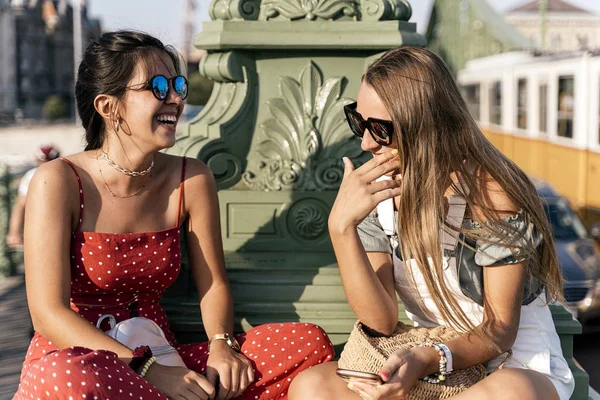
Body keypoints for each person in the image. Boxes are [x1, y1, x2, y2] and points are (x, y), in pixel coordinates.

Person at [15, 30, 333, 400]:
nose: (176, 98)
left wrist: (220, 344)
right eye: (158, 86)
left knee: (305, 342)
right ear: (108, 106)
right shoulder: (59, 181)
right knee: (68, 378)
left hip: (166, 359)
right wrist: (145, 369)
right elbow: (48, 313)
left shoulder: (191, 178)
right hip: (84, 364)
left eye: (177, 83)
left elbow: (212, 284)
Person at [289, 46, 574, 400]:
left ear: (424, 126)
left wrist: (430, 359)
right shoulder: (377, 191)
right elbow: (380, 320)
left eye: (379, 129)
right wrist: (341, 227)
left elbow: (499, 329)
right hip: (420, 354)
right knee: (311, 387)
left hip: (506, 364)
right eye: (358, 121)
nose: (365, 142)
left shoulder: (491, 193)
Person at [6, 145, 60, 248]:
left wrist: (14, 233)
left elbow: (21, 204)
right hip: (46, 227)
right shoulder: (33, 175)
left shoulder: (33, 174)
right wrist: (14, 233)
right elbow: (21, 204)